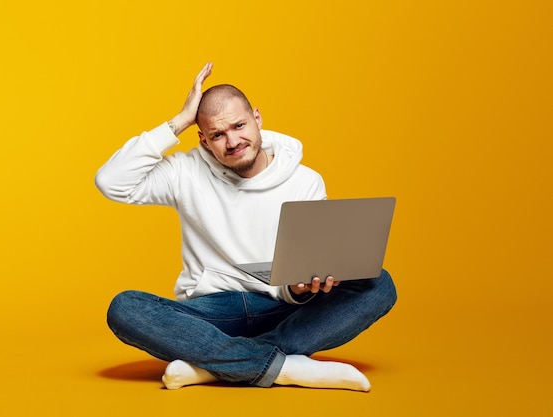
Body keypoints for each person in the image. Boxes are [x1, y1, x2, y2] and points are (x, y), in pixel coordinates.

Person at [95, 63, 397, 391]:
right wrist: (180, 119)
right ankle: (286, 366)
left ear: (257, 118)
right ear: (204, 140)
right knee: (124, 308)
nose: (233, 141)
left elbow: (305, 269)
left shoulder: (305, 181)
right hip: (212, 312)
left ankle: (215, 366)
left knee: (379, 284)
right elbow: (111, 181)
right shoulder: (185, 172)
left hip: (281, 308)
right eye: (217, 135)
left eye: (239, 125)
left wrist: (298, 288)